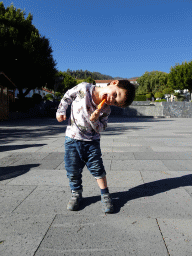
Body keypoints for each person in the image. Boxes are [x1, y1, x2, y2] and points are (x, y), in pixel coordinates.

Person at [56, 80, 135, 213]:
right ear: (114, 83)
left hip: (91, 142)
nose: (111, 100)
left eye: (115, 102)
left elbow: (102, 128)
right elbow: (67, 96)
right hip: (72, 138)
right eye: (115, 94)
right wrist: (60, 111)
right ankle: (76, 193)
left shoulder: (105, 109)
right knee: (72, 169)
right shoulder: (84, 88)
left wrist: (95, 120)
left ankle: (105, 194)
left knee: (97, 169)